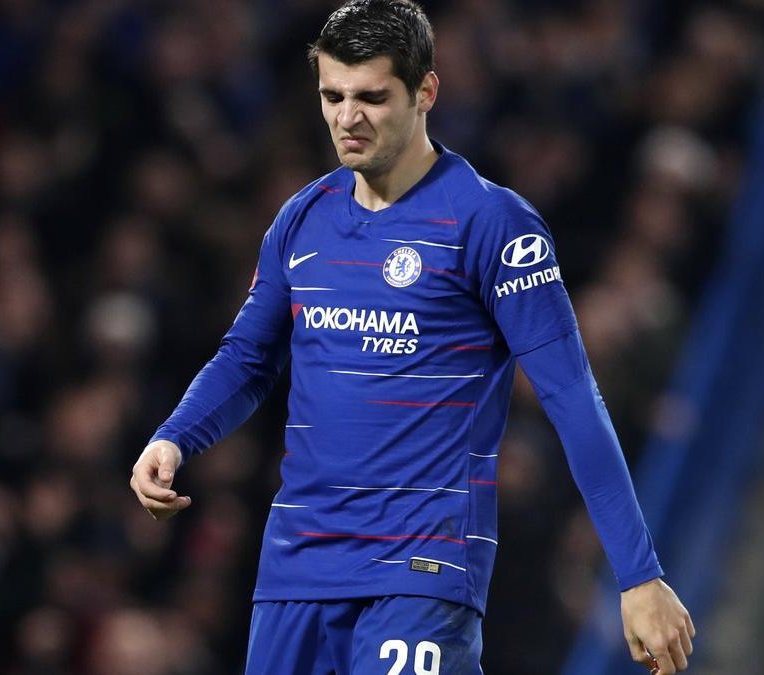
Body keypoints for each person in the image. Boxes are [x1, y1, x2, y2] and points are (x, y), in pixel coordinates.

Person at [129, 1, 696, 672]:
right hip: (297, 570)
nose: (347, 117)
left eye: (371, 96)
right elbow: (249, 357)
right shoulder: (302, 221)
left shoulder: (492, 225)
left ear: (426, 91)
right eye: (332, 95)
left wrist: (638, 573)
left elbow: (572, 394)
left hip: (421, 569)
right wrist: (175, 434)